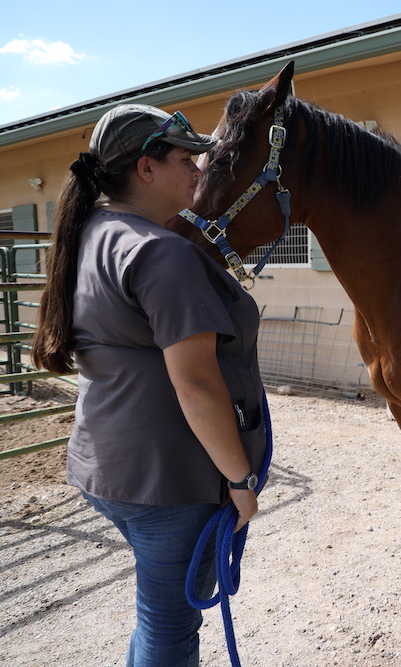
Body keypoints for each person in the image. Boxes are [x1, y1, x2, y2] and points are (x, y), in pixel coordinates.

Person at [31, 104, 268, 667]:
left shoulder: (91, 231)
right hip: (168, 479)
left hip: (107, 466)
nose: (198, 170)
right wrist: (240, 480)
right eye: (186, 158)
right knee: (170, 629)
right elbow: (197, 385)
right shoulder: (162, 252)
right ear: (146, 168)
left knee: (156, 614)